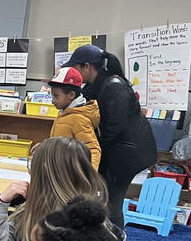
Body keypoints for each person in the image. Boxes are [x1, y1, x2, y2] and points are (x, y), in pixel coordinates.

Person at [63, 44, 155, 225]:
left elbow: (114, 127)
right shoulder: (95, 85)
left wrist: (91, 148)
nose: (75, 71)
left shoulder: (114, 86)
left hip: (127, 154)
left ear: (87, 67)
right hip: (117, 149)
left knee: (112, 200)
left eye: (76, 67)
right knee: (104, 197)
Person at [47, 66, 101, 169]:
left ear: (71, 95)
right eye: (52, 96)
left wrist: (89, 176)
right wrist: (45, 148)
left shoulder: (78, 119)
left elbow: (93, 149)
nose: (52, 100)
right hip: (59, 170)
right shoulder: (65, 114)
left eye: (56, 96)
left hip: (69, 175)